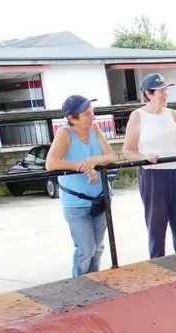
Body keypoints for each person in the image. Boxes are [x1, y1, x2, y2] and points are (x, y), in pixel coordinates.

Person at [122, 73, 176, 259]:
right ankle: (158, 264)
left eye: (166, 90)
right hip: (154, 175)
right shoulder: (138, 116)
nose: (165, 94)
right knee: (157, 225)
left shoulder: (171, 113)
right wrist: (143, 157)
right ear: (148, 93)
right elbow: (128, 150)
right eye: (160, 91)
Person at [46, 95, 116, 277]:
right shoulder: (64, 133)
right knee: (86, 249)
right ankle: (79, 286)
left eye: (91, 111)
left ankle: (94, 281)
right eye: (87, 113)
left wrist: (93, 161)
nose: (92, 116)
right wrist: (80, 166)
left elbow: (111, 157)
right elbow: (51, 163)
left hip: (100, 198)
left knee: (98, 247)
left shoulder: (95, 129)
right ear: (72, 118)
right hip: (76, 204)